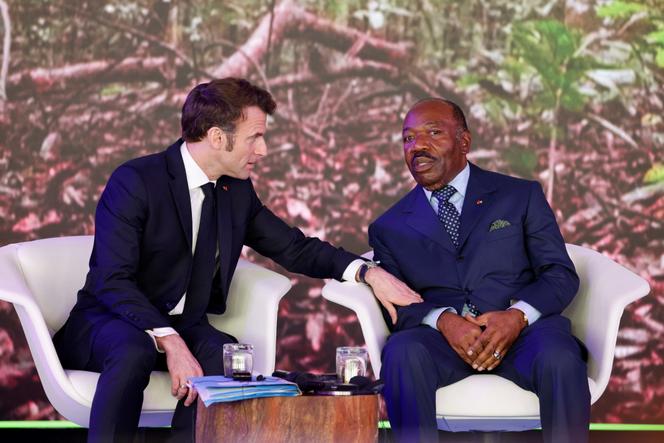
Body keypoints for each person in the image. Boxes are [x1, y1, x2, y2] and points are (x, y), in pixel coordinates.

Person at [53, 77, 421, 443]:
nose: (262, 150)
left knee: (223, 355)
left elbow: (295, 248)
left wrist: (367, 271)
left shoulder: (235, 189)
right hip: (110, 320)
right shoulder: (135, 180)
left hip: (184, 323)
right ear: (217, 137)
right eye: (254, 137)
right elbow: (111, 280)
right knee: (132, 350)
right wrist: (170, 341)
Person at [369, 98, 590, 443]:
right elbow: (399, 302)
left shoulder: (519, 196)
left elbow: (559, 274)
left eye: (433, 133)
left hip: (524, 335)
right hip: (442, 341)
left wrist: (516, 316)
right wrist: (444, 321)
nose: (418, 146)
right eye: (408, 138)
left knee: (560, 356)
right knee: (402, 352)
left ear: (464, 142)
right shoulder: (389, 227)